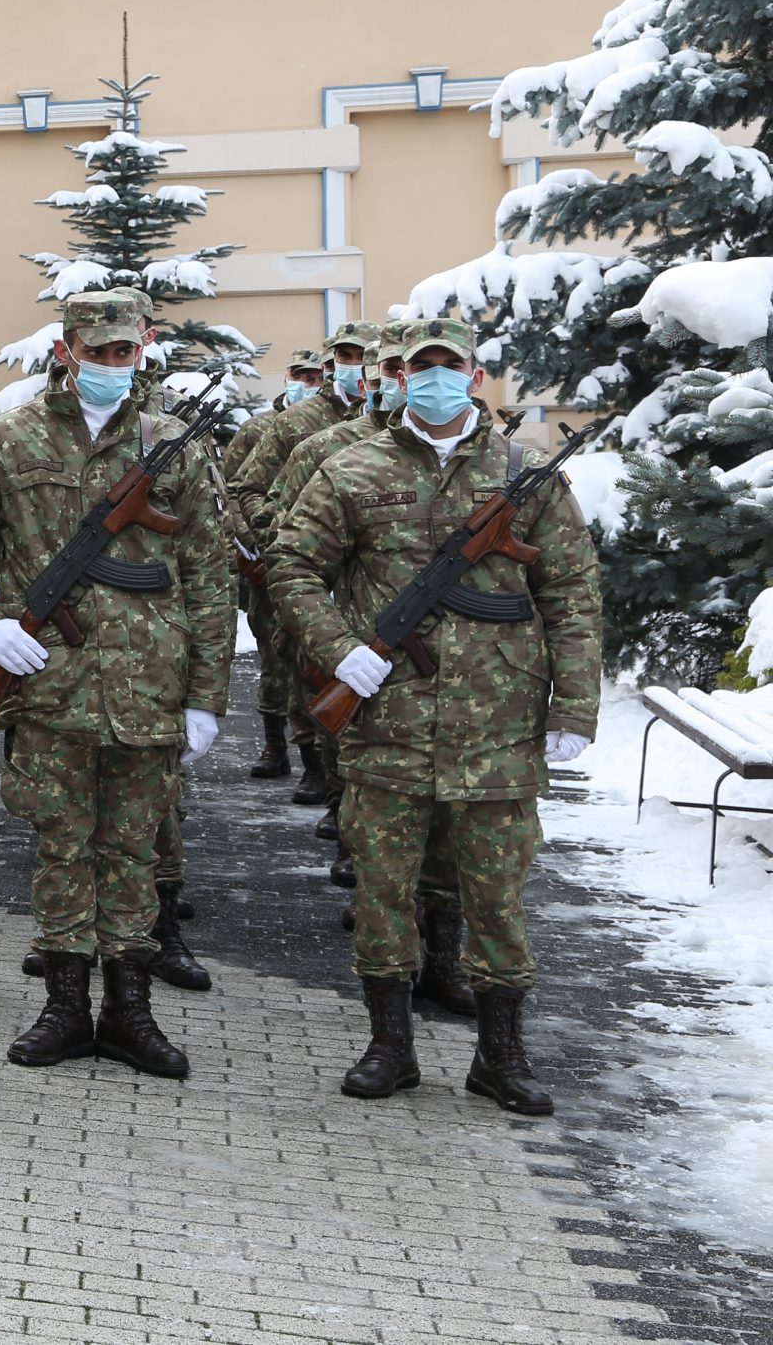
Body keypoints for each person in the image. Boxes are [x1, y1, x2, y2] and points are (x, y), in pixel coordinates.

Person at [266, 316, 599, 1115]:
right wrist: (340, 647)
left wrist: (576, 707)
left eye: (453, 367)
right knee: (384, 889)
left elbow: (574, 596)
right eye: (424, 368)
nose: (439, 380)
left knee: (496, 895)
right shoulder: (354, 467)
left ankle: (500, 1054)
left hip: (499, 729)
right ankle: (390, 1044)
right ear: (402, 378)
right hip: (390, 722)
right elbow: (291, 564)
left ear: (477, 379)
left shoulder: (528, 477)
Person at [0, 287, 231, 1080]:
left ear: (145, 346)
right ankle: (64, 1007)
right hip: (51, 687)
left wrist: (207, 693)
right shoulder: (8, 438)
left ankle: (130, 1012)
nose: (109, 364)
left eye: (123, 351)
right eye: (95, 351)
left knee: (133, 854)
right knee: (62, 848)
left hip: (150, 688)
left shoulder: (173, 445)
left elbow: (208, 574)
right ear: (65, 350)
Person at [267, 321, 410, 890]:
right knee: (349, 741)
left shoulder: (498, 462)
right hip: (350, 630)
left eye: (412, 368)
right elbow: (279, 526)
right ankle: (361, 853)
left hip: (455, 653)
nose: (402, 379)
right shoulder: (327, 449)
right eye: (393, 368)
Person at [230, 322, 381, 810]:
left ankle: (352, 797)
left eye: (368, 359)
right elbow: (246, 489)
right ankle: (313, 764)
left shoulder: (397, 432)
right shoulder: (298, 426)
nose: (357, 368)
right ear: (332, 362)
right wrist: (275, 540)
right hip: (303, 573)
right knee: (299, 668)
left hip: (373, 585)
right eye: (347, 357)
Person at [225, 345, 328, 784]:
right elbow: (233, 489)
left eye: (314, 376)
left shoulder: (341, 428)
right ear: (287, 374)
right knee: (274, 655)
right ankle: (274, 744)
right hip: (266, 562)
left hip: (318, 563)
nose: (306, 384)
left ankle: (316, 763)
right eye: (299, 375)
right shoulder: (259, 429)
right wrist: (252, 547)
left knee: (312, 662)